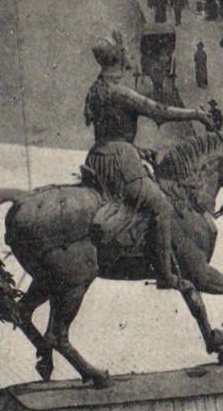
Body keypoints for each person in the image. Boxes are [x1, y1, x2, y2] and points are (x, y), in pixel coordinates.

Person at [82, 35, 209, 290]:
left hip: (97, 158)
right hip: (120, 161)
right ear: (117, 59)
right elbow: (160, 111)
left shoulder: (96, 89)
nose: (130, 57)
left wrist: (138, 149)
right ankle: (165, 274)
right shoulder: (121, 93)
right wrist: (196, 114)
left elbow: (109, 130)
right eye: (125, 53)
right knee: (161, 206)